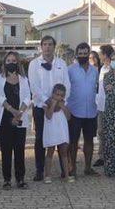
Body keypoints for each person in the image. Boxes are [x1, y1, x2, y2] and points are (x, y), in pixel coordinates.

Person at [27, 35, 68, 181]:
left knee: (61, 138)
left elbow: (66, 84)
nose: (47, 47)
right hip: (41, 106)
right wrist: (48, 101)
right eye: (45, 44)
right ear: (41, 47)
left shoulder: (62, 63)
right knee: (40, 138)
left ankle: (65, 170)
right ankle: (40, 170)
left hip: (59, 108)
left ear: (54, 46)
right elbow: (34, 86)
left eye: (50, 44)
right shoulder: (33, 64)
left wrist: (61, 101)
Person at [0, 50, 32, 189]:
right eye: (8, 61)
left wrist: (20, 112)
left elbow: (28, 97)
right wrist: (13, 110)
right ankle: (7, 179)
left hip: (20, 117)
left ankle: (20, 178)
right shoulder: (0, 79)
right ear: (5, 63)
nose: (11, 63)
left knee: (19, 149)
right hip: (5, 117)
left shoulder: (24, 79)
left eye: (13, 61)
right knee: (6, 150)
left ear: (18, 63)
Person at [66, 42, 100, 177]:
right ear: (76, 54)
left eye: (85, 53)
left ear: (89, 54)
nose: (83, 56)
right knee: (73, 141)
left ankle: (87, 167)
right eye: (80, 54)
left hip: (91, 110)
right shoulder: (70, 70)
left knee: (89, 140)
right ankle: (72, 168)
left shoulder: (95, 70)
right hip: (74, 110)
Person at [42, 83, 72, 183]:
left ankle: (67, 175)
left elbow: (68, 117)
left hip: (62, 130)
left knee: (64, 152)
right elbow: (49, 116)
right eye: (57, 94)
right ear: (53, 94)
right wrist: (53, 105)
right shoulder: (47, 103)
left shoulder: (64, 103)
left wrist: (63, 107)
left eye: (61, 95)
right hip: (51, 130)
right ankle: (47, 175)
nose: (59, 97)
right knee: (50, 152)